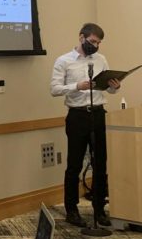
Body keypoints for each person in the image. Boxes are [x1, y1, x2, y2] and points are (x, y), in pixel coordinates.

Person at [50, 23, 121, 228]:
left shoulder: (101, 59)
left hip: (98, 113)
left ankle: (99, 210)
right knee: (74, 164)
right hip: (77, 116)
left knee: (100, 164)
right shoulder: (64, 61)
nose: (96, 46)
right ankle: (71, 210)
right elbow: (54, 89)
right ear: (81, 37)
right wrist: (77, 86)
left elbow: (107, 87)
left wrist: (114, 87)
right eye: (92, 41)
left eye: (98, 43)